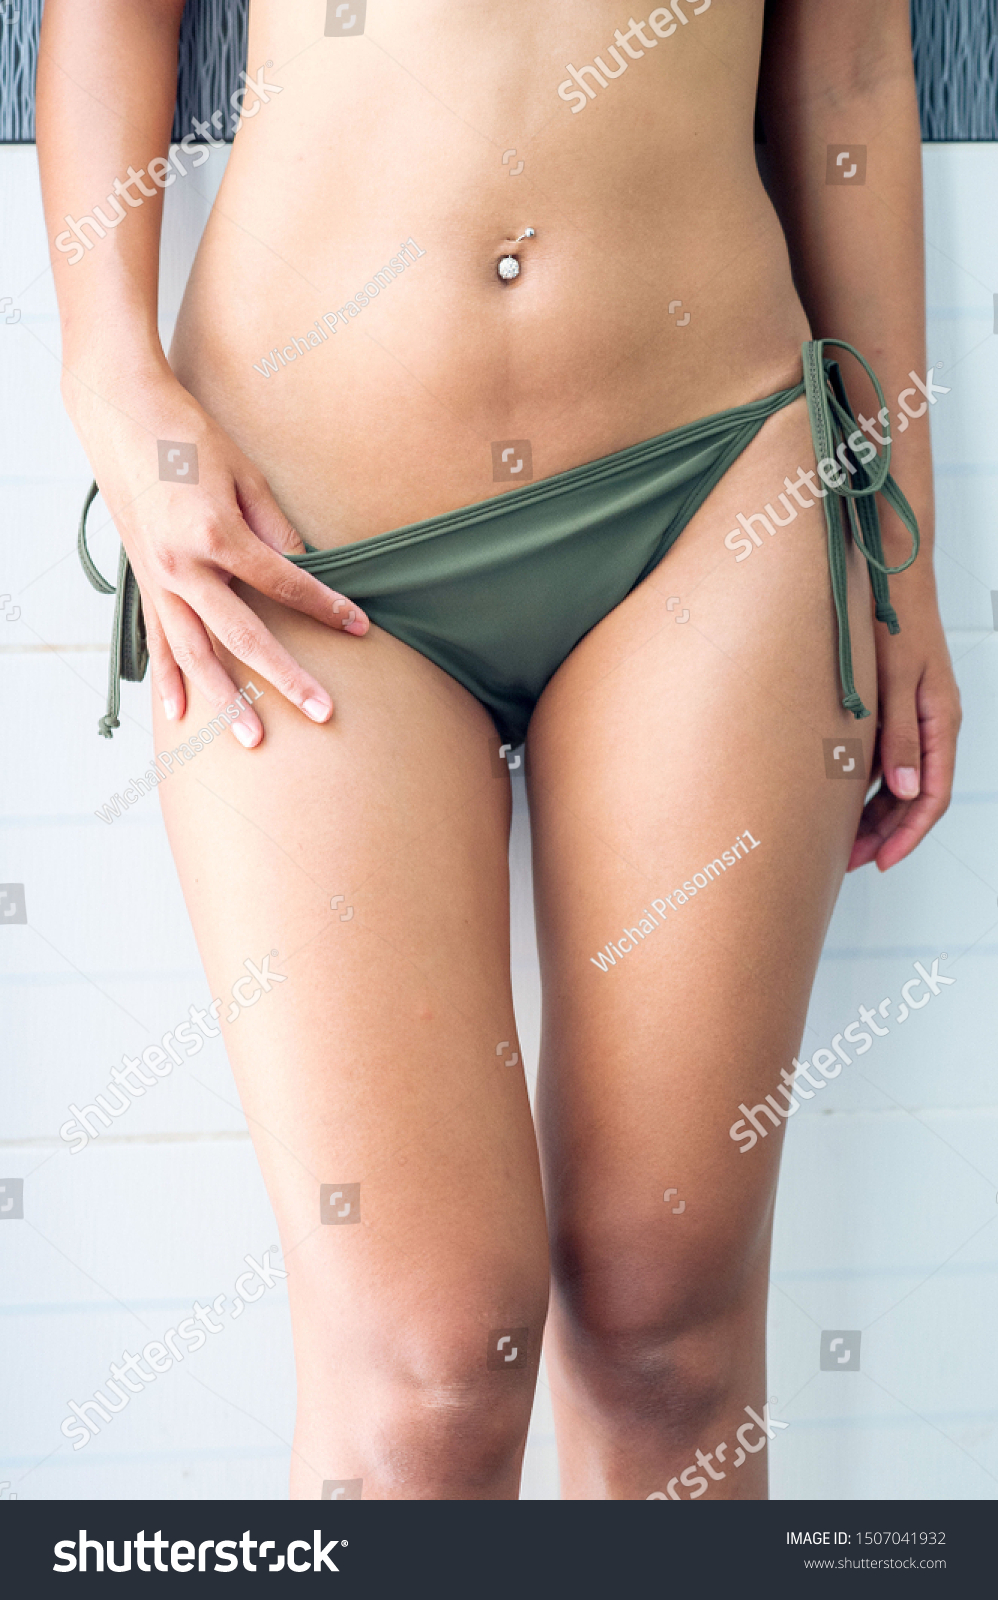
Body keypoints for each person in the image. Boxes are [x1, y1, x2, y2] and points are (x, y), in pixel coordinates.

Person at [38, 0, 960, 1500]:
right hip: (296, 532)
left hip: (710, 490)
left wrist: (899, 558)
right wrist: (112, 385)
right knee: (426, 1358)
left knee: (665, 1326)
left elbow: (848, 66)